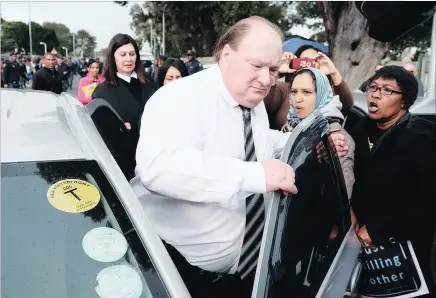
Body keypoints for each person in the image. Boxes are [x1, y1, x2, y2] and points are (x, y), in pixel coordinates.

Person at [130, 16, 348, 298]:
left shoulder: (251, 100)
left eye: (272, 69)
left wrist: (301, 143)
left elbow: (256, 142)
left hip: (249, 274)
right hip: (182, 277)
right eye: (256, 65)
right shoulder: (178, 98)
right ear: (227, 54)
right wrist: (254, 175)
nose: (266, 79)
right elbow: (158, 169)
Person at [350, 66, 436, 296]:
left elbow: (427, 206)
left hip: (406, 255)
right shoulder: (360, 129)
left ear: (404, 101)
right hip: (361, 249)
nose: (375, 95)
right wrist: (349, 210)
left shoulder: (423, 139)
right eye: (373, 87)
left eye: (387, 90)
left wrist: (379, 229)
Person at [282, 67, 355, 198]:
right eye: (294, 92)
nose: (298, 98)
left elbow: (342, 196)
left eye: (306, 92)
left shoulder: (333, 134)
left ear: (321, 94)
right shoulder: (293, 124)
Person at [92, 33, 154, 168]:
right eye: (123, 54)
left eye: (132, 54)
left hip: (151, 158)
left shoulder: (149, 83)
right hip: (121, 163)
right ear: (113, 57)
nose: (128, 59)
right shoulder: (102, 92)